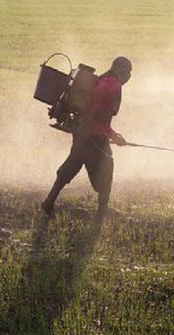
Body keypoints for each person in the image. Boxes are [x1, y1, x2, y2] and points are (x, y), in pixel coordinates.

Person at [42, 56, 132, 222]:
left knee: (73, 165)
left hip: (83, 132)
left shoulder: (105, 78)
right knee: (106, 170)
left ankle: (49, 202)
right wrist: (113, 135)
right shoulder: (113, 84)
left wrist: (85, 128)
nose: (129, 76)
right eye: (128, 72)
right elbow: (100, 113)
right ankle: (101, 213)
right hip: (94, 136)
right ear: (121, 71)